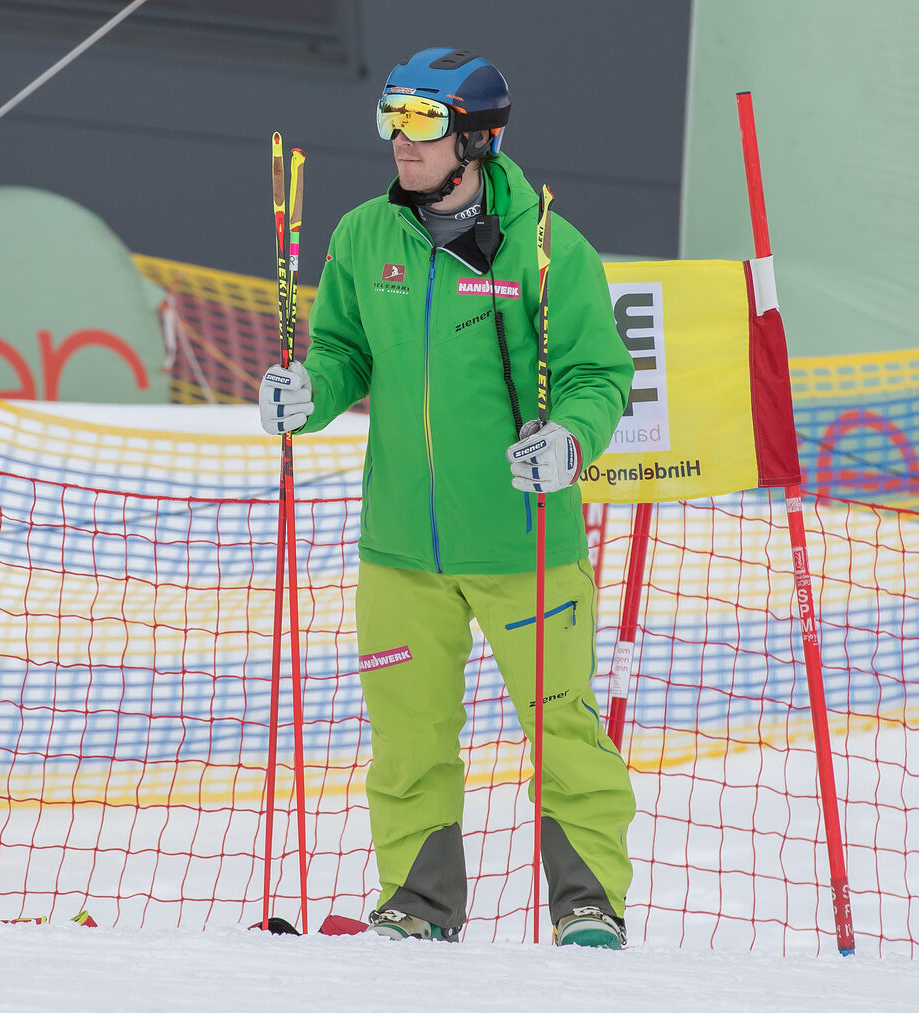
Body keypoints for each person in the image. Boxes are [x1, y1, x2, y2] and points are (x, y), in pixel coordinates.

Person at [259, 46, 636, 949]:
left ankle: (587, 902)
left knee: (562, 728)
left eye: (423, 121)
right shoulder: (362, 236)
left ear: (476, 137)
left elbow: (599, 372)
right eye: (391, 116)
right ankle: (419, 903)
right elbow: (345, 351)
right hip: (400, 547)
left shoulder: (547, 245)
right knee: (407, 735)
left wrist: (572, 439)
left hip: (522, 544)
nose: (400, 138)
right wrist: (308, 390)